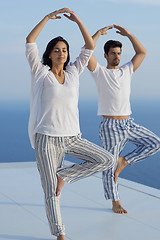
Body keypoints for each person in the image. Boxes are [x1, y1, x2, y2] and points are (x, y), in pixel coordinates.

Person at [25, 8, 114, 240]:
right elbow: (30, 41)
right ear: (49, 54)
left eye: (64, 50)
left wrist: (78, 21)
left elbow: (89, 47)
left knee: (107, 159)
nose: (61, 53)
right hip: (47, 139)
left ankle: (65, 175)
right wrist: (46, 18)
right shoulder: (41, 73)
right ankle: (60, 234)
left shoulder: (74, 72)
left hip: (73, 137)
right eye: (57, 50)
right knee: (51, 192)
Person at [87, 25, 160, 214]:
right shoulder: (100, 72)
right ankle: (115, 202)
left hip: (128, 123)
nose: (116, 56)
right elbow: (86, 52)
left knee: (155, 143)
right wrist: (96, 34)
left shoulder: (127, 70)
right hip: (111, 126)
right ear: (105, 55)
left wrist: (128, 35)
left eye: (118, 53)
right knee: (108, 165)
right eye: (112, 53)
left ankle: (124, 161)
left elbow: (142, 52)